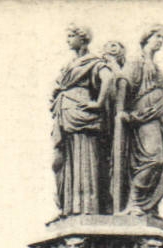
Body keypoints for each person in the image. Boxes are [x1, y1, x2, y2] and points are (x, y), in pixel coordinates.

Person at [51, 25, 116, 217]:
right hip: (66, 115)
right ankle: (69, 207)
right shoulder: (70, 64)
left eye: (71, 36)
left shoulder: (93, 61)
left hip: (82, 114)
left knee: (84, 156)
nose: (68, 39)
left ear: (83, 38)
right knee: (64, 161)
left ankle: (87, 207)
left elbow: (108, 78)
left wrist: (99, 102)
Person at [119, 24, 163, 218]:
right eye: (157, 36)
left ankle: (149, 205)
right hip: (144, 114)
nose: (160, 41)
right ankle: (134, 202)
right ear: (147, 37)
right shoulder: (136, 61)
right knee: (153, 158)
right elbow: (123, 84)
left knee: (162, 163)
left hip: (162, 117)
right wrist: (121, 110)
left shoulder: (156, 66)